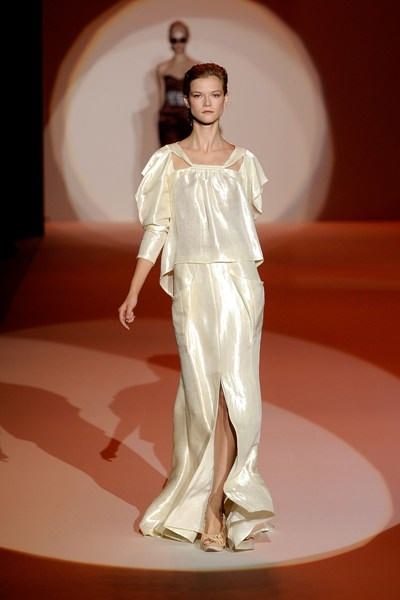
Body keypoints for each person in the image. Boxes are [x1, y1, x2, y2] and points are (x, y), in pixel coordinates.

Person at [119, 63, 274, 552]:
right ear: (185, 101)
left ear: (227, 98)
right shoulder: (168, 161)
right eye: (199, 95)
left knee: (235, 396)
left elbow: (241, 230)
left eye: (215, 94)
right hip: (193, 287)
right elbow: (157, 228)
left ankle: (215, 510)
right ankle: (202, 497)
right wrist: (134, 289)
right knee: (202, 398)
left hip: (238, 285)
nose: (207, 103)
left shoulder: (243, 162)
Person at [157, 21, 198, 146]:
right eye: (174, 40)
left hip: (190, 120)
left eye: (182, 39)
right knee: (171, 156)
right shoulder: (162, 69)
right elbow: (161, 100)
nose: (178, 44)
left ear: (187, 39)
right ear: (170, 41)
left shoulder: (196, 67)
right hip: (169, 122)